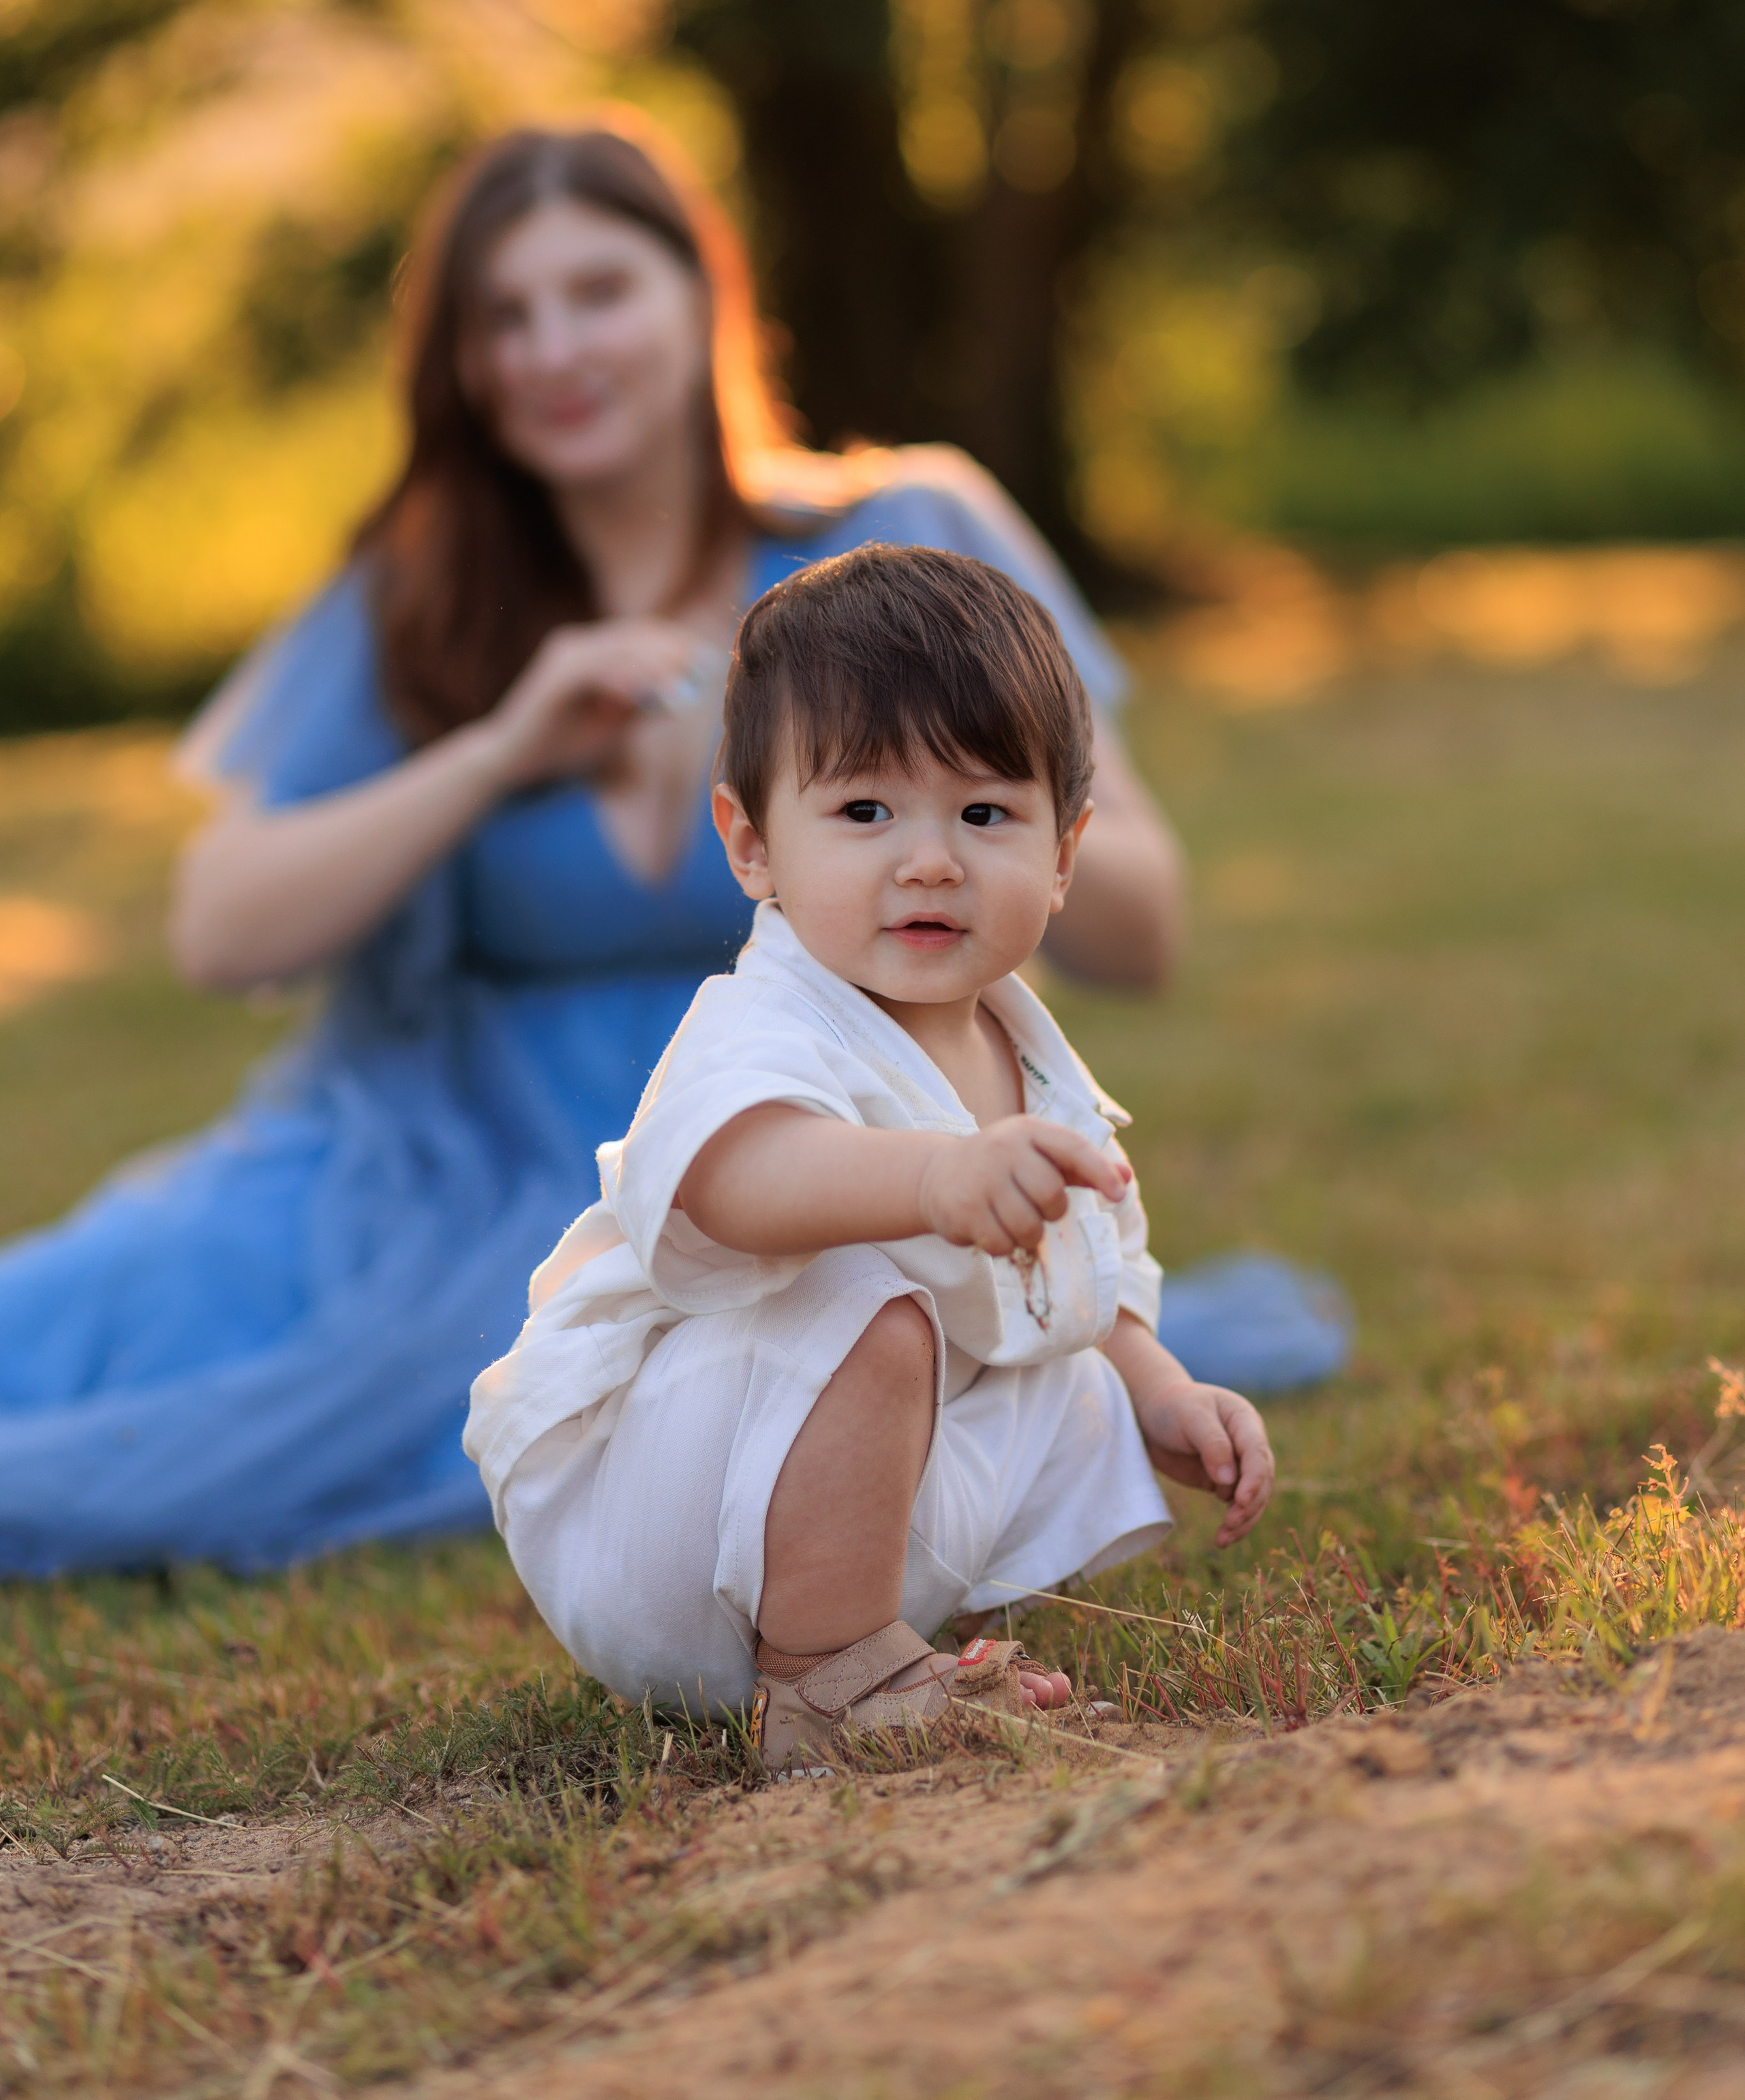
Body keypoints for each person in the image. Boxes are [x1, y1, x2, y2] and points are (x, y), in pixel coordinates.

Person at [0, 112, 1187, 1579]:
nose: (550, 350)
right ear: (458, 362)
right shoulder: (419, 598)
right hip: (421, 1164)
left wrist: (926, 803)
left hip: (817, 1157)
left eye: (599, 291)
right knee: (75, 1341)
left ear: (703, 294)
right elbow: (219, 931)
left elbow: (1143, 929)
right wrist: (499, 751)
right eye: (502, 316)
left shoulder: (906, 534)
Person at [467, 547, 1273, 1765]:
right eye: (863, 812)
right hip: (668, 1515)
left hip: (803, 1511)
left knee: (1046, 1354)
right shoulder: (767, 1019)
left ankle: (895, 1640)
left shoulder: (1031, 1060)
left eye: (985, 814)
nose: (931, 860)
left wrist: (1160, 1390)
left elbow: (1080, 1270)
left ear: (1064, 853)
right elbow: (736, 1186)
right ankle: (825, 1682)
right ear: (752, 845)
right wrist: (935, 1180)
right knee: (868, 1292)